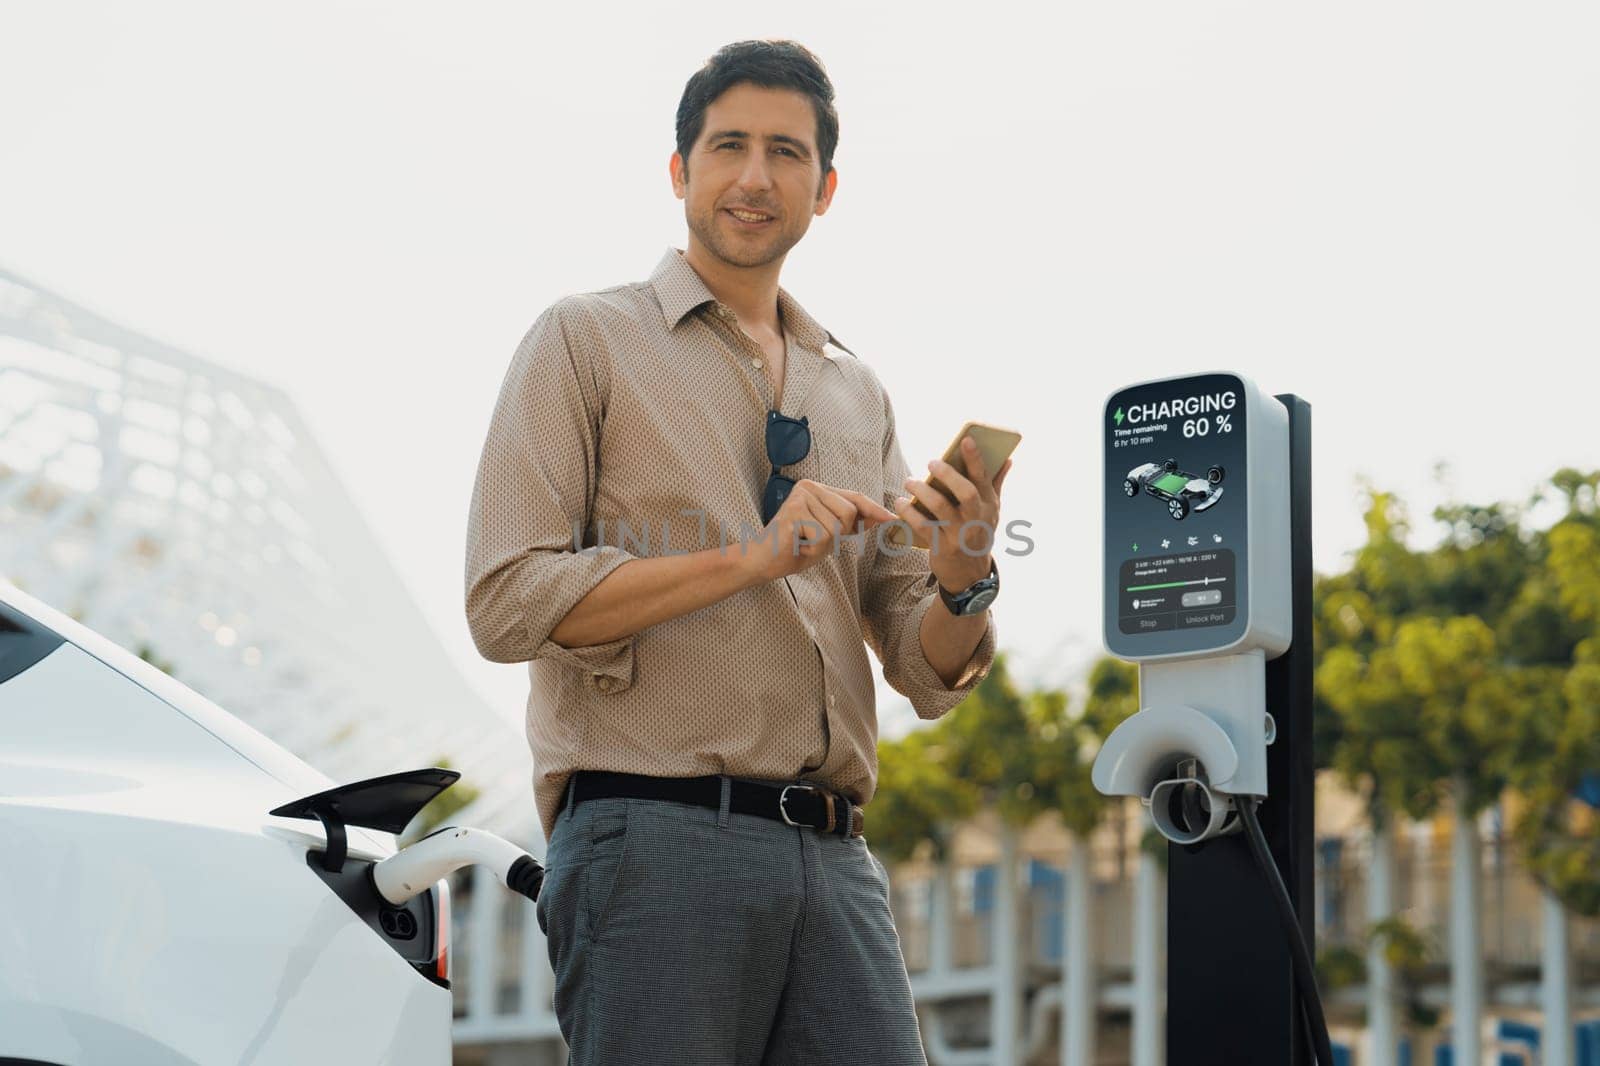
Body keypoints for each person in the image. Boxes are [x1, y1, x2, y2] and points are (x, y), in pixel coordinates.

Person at [464, 38, 1011, 1065]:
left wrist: (963, 572)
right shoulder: (583, 341)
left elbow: (923, 667)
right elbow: (505, 600)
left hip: (835, 859)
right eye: (728, 146)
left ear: (826, 188)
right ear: (679, 171)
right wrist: (752, 558)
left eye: (786, 152)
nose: (755, 176)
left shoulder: (857, 390)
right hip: (653, 843)